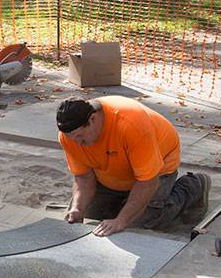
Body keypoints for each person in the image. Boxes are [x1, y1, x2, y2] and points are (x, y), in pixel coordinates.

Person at [56, 97, 210, 236]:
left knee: (139, 224)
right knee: (91, 214)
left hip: (157, 169)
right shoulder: (69, 135)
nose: (77, 142)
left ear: (93, 119)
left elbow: (147, 182)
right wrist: (78, 208)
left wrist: (121, 220)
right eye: (72, 138)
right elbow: (83, 176)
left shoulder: (131, 125)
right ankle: (123, 200)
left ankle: (194, 185)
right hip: (113, 173)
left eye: (80, 137)